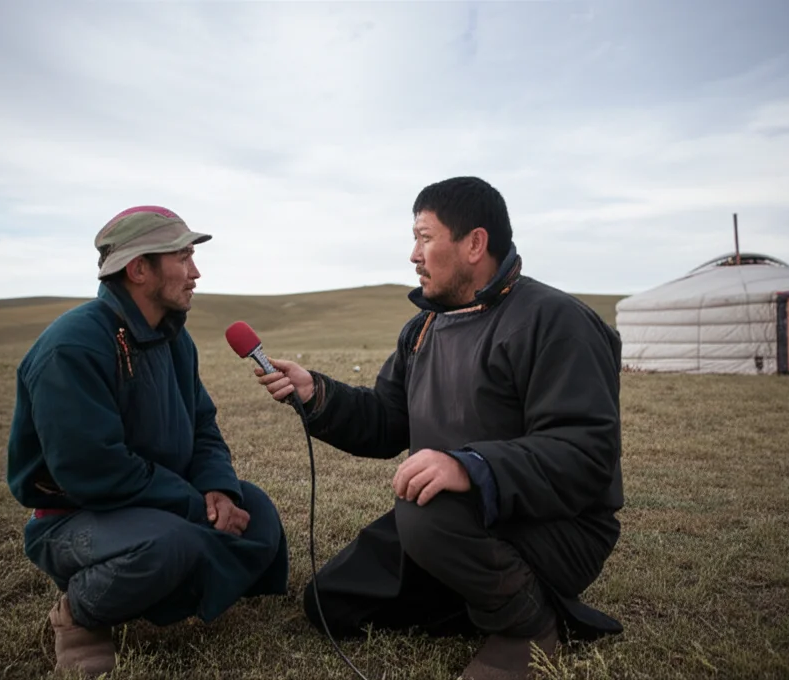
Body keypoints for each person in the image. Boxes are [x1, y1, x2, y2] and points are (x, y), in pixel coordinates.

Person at [256, 177, 624, 680]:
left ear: (474, 243)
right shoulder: (424, 328)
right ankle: (477, 598)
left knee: (423, 513)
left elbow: (586, 452)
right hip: (457, 520)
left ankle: (527, 626)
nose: (413, 254)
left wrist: (468, 466)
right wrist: (317, 393)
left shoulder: (555, 320)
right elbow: (387, 422)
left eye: (425, 238)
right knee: (329, 603)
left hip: (555, 525)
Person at [6, 206, 289, 677]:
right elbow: (93, 469)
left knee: (254, 509)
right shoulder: (73, 346)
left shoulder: (175, 340)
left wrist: (218, 488)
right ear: (139, 269)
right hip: (78, 519)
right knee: (170, 543)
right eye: (182, 257)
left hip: (155, 504)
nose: (196, 272)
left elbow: (203, 425)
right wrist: (195, 506)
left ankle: (189, 575)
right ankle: (79, 612)